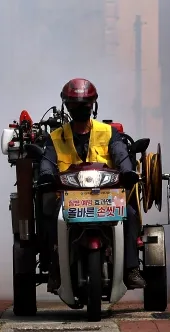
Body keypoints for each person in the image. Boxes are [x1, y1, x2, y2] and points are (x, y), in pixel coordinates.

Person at [37, 78, 146, 292]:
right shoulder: (55, 137)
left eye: (85, 104)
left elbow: (121, 154)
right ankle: (55, 267)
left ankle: (131, 269)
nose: (80, 108)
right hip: (68, 199)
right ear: (67, 107)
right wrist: (46, 175)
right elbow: (47, 161)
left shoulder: (108, 132)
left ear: (93, 105)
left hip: (107, 196)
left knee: (131, 214)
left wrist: (127, 171)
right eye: (74, 104)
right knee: (50, 216)